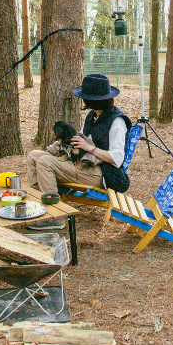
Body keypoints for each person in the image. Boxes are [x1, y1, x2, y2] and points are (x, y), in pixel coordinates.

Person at [26, 74, 131, 230]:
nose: (83, 100)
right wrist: (60, 145)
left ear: (93, 100)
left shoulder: (117, 122)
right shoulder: (93, 115)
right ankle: (37, 207)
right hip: (83, 163)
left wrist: (90, 148)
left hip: (101, 173)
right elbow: (79, 140)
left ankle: (55, 216)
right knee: (34, 156)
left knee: (45, 162)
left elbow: (117, 159)